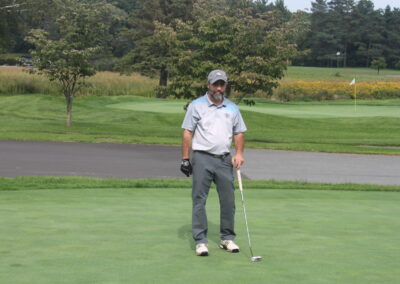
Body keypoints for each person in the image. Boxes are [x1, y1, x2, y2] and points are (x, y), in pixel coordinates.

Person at [180, 69, 247, 256]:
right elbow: (187, 132)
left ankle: (227, 238)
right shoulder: (196, 105)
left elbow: (239, 132)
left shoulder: (232, 108)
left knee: (228, 200)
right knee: (199, 199)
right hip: (202, 158)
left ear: (225, 86)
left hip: (224, 160)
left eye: (222, 84)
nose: (219, 88)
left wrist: (239, 153)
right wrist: (185, 159)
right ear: (208, 85)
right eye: (215, 84)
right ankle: (200, 241)